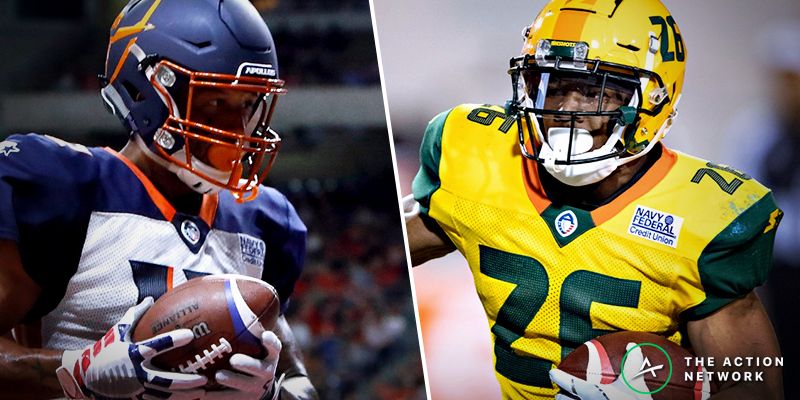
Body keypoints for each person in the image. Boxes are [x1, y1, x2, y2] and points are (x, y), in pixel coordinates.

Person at [404, 0, 784, 398]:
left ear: (654, 101)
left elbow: (755, 387)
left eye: (593, 93)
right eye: (553, 84)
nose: (568, 110)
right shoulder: (473, 156)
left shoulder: (706, 216)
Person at [0, 0, 317, 399]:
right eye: (215, 102)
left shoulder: (265, 220)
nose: (237, 129)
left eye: (248, 104)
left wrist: (275, 393)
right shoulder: (62, 185)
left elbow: (300, 384)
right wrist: (73, 371)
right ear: (144, 90)